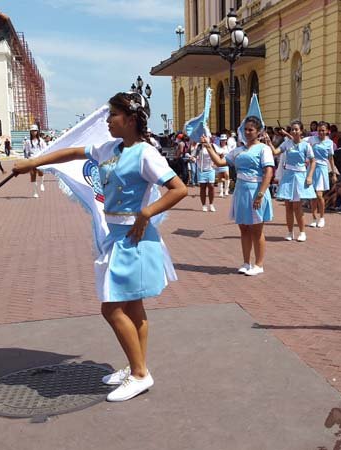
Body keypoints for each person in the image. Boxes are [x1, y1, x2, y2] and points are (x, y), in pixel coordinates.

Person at [13, 91, 187, 400]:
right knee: (133, 306)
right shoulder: (108, 148)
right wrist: (34, 163)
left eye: (113, 115)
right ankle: (136, 365)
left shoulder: (146, 154)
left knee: (111, 308)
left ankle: (140, 374)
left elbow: (178, 188)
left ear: (130, 119)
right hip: (116, 236)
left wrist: (147, 213)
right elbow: (73, 152)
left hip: (134, 239)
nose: (107, 121)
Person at [204, 116, 274, 276]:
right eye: (245, 129)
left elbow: (269, 172)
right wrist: (208, 147)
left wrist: (261, 194)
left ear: (258, 131)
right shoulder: (238, 150)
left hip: (256, 190)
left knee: (256, 229)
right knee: (243, 228)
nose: (247, 132)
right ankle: (246, 262)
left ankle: (259, 264)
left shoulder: (264, 149)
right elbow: (220, 162)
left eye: (251, 130)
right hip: (241, 190)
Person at [275, 121, 317, 242]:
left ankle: (302, 232)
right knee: (288, 206)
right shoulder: (287, 143)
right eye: (292, 129)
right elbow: (275, 152)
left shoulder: (306, 145)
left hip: (300, 176)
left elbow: (313, 161)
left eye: (296, 129)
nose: (294, 131)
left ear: (301, 131)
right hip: (288, 176)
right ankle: (290, 232)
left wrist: (309, 176)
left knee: (297, 207)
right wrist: (268, 142)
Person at [307, 122, 338, 228]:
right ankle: (313, 218)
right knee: (312, 196)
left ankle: (322, 218)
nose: (321, 132)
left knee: (319, 195)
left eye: (323, 130)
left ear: (327, 131)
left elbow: (331, 158)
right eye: (319, 130)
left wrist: (334, 173)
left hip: (322, 169)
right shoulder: (311, 139)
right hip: (311, 169)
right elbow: (299, 142)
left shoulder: (330, 143)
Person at [23, 124, 47, 198]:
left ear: (37, 131)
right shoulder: (28, 141)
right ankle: (35, 192)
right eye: (32, 131)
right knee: (33, 175)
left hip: (39, 159)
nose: (34, 132)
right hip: (31, 159)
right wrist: (27, 159)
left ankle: (42, 183)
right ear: (30, 132)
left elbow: (45, 150)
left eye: (35, 131)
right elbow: (26, 151)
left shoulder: (41, 141)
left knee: (40, 173)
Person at [194, 135, 217, 212]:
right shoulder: (199, 146)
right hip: (201, 170)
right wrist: (194, 158)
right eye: (201, 136)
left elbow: (219, 154)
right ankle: (204, 205)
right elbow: (194, 155)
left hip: (211, 169)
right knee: (202, 187)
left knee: (211, 186)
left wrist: (216, 163)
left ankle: (211, 204)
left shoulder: (212, 146)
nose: (202, 138)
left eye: (204, 136)